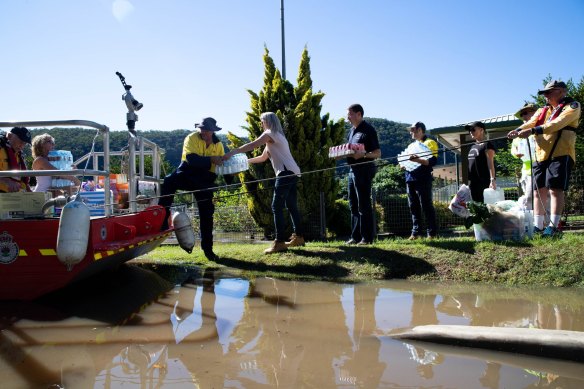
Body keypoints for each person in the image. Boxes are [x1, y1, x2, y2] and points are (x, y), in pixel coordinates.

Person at [508, 80, 581, 237]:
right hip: (540, 156)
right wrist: (517, 130)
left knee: (555, 189)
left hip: (561, 154)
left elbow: (557, 123)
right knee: (538, 190)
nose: (545, 96)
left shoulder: (572, 107)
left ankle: (554, 227)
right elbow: (531, 122)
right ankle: (538, 226)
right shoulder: (542, 110)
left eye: (549, 92)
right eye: (544, 93)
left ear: (561, 91)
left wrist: (534, 130)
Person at [223, 112, 303, 254]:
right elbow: (262, 157)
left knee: (276, 206)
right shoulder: (277, 136)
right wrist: (244, 162)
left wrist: (232, 153)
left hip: (285, 173)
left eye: (262, 121)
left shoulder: (269, 133)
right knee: (291, 205)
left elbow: (252, 145)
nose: (261, 124)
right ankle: (299, 237)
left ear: (268, 121)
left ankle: (279, 242)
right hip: (293, 172)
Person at [158, 117, 225, 261]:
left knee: (207, 214)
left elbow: (221, 167)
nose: (204, 132)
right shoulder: (192, 137)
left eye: (207, 130)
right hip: (187, 173)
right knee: (169, 181)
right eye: (202, 129)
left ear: (213, 131)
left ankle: (208, 250)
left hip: (206, 179)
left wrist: (231, 174)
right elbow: (192, 160)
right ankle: (163, 219)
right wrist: (212, 159)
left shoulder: (219, 145)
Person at [344, 104, 381, 245]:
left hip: (364, 170)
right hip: (352, 171)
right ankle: (355, 237)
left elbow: (378, 153)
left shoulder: (368, 129)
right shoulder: (352, 131)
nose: (348, 117)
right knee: (353, 204)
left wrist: (364, 154)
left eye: (350, 114)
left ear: (359, 114)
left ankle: (367, 238)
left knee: (363, 204)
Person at [403, 122, 438, 239]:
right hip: (410, 178)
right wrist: (403, 164)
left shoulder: (430, 143)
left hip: (423, 178)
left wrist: (418, 160)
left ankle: (432, 233)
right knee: (413, 206)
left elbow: (432, 161)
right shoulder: (411, 146)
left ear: (420, 130)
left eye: (412, 130)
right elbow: (405, 161)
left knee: (426, 205)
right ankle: (415, 232)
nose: (410, 132)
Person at [510, 104, 538, 210]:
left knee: (542, 197)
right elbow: (513, 149)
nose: (524, 116)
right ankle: (532, 223)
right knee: (529, 197)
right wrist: (515, 153)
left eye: (526, 113)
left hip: (540, 167)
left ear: (535, 113)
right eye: (522, 115)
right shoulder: (518, 134)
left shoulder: (539, 130)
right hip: (526, 171)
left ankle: (545, 223)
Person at [466, 121, 496, 203]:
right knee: (475, 207)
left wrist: (492, 180)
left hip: (483, 182)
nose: (471, 132)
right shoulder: (472, 146)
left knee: (486, 207)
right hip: (473, 183)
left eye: (473, 130)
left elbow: (491, 163)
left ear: (481, 130)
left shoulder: (487, 145)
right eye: (469, 130)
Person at [0, 127, 32, 193]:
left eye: (25, 143)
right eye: (21, 141)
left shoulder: (19, 155)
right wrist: (6, 181)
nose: (22, 146)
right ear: (9, 136)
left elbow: (20, 178)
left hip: (14, 195)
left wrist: (27, 188)